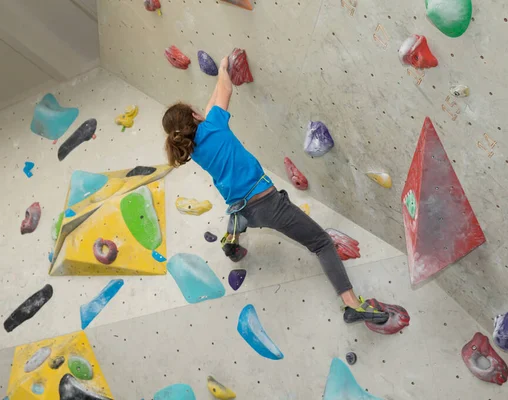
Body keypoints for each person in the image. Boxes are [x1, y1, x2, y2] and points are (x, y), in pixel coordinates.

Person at [162, 56, 389, 325]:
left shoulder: (197, 148)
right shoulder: (213, 125)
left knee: (244, 208)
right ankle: (352, 304)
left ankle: (237, 225)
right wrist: (223, 68)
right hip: (268, 205)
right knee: (321, 243)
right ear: (196, 117)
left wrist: (217, 82)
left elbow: (214, 102)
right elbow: (224, 91)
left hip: (244, 206)